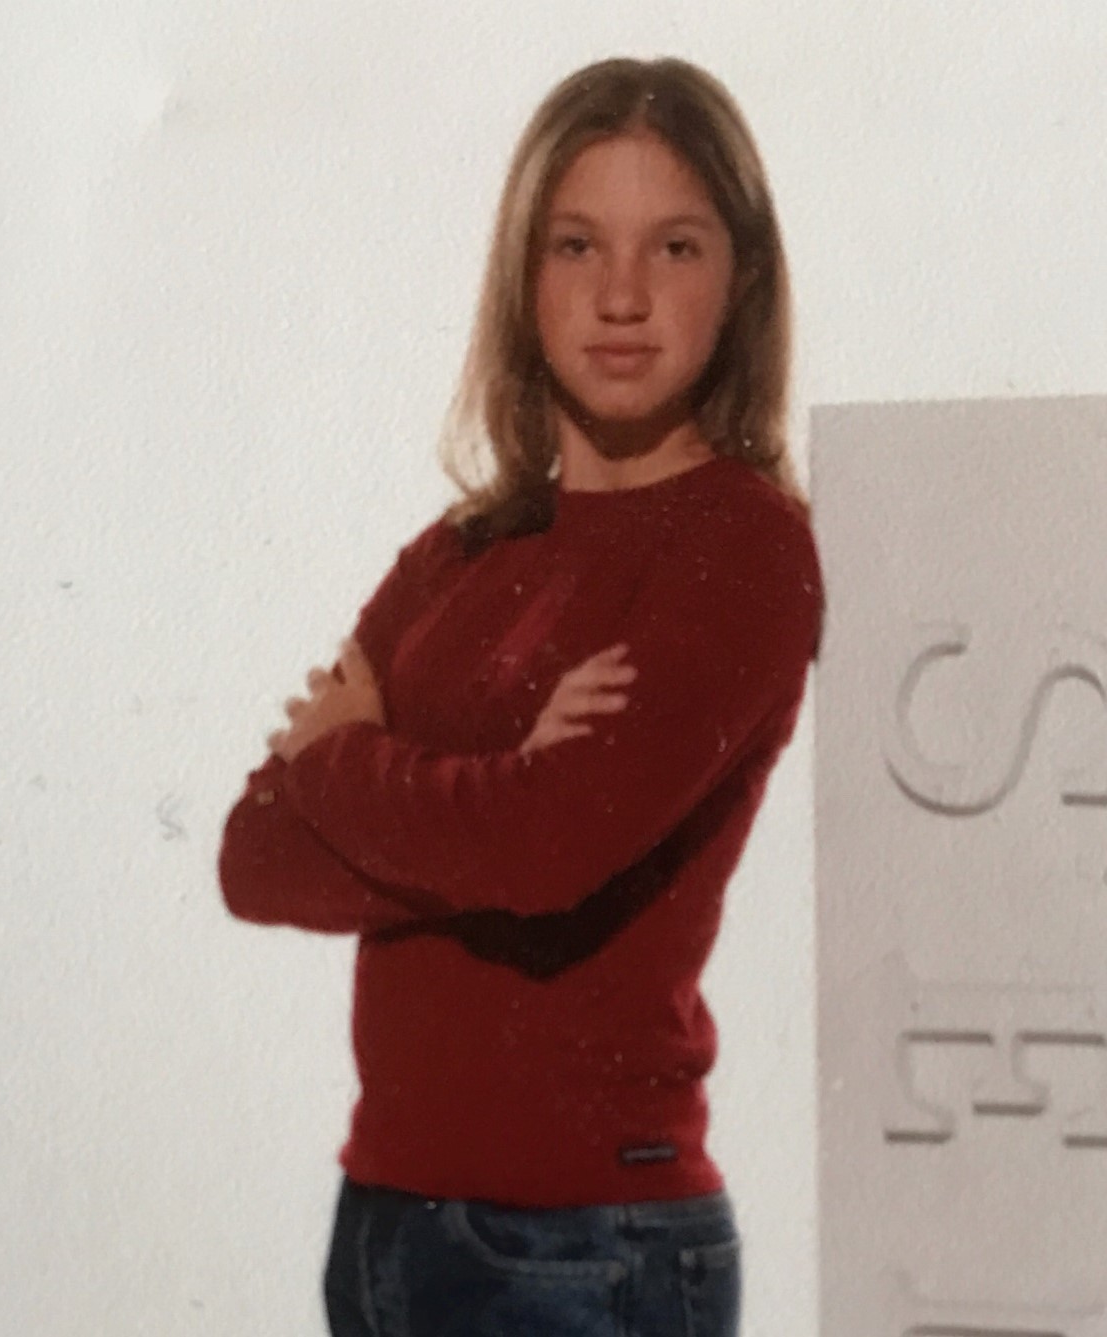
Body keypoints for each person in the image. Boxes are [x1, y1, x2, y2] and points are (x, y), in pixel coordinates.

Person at [217, 55, 822, 1337]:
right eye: (575, 244)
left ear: (741, 278)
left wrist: (350, 762)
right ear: (522, 275)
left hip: (586, 1245)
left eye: (673, 246)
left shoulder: (741, 546)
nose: (620, 295)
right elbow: (255, 858)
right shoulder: (458, 554)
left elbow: (545, 850)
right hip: (384, 1224)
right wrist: (499, 800)